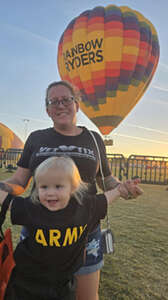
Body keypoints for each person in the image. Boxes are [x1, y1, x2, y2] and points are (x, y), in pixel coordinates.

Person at [0, 80, 142, 300]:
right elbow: (20, 180)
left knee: (86, 296)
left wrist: (121, 188)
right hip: (39, 228)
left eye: (66, 99)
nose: (60, 105)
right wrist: (2, 188)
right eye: (53, 101)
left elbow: (106, 179)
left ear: (77, 104)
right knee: (33, 290)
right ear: (47, 110)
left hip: (85, 228)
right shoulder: (36, 138)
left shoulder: (94, 139)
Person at [0, 156, 143, 300]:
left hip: (64, 285)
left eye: (58, 186)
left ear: (73, 187)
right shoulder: (32, 207)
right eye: (44, 187)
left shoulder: (85, 207)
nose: (50, 192)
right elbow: (7, 201)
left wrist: (120, 189)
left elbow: (106, 198)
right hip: (26, 283)